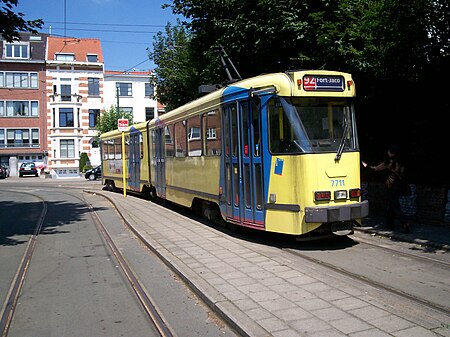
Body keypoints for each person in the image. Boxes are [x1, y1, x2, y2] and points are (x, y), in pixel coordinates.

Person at [363, 145, 411, 233]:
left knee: (395, 205)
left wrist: (367, 166)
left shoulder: (389, 161)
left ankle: (405, 222)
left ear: (391, 153)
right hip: (400, 185)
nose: (387, 152)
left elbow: (377, 168)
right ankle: (390, 224)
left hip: (391, 185)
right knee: (391, 205)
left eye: (389, 151)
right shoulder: (401, 161)